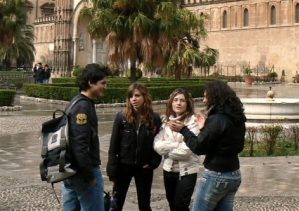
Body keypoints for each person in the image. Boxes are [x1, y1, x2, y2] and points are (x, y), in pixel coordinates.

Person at [169, 80, 246, 211]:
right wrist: (205, 128)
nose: (204, 100)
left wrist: (184, 130)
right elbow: (232, 144)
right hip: (234, 175)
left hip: (217, 176)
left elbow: (198, 147)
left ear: (215, 97)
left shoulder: (217, 119)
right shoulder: (236, 118)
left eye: (206, 96)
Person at [106, 83, 162, 211]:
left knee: (144, 205)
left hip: (144, 167)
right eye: (131, 96)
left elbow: (159, 142)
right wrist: (112, 170)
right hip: (123, 167)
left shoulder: (155, 118)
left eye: (137, 96)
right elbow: (113, 145)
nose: (133, 99)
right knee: (116, 204)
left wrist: (154, 162)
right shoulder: (122, 117)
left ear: (145, 97)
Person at [62, 63, 108, 211]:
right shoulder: (82, 106)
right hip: (82, 172)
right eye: (103, 83)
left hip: (71, 171)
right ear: (91, 82)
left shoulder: (76, 101)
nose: (105, 87)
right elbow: (80, 145)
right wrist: (90, 176)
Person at [154, 88, 200, 211]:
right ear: (171, 103)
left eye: (182, 100)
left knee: (181, 206)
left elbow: (187, 151)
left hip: (187, 171)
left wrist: (167, 148)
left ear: (188, 104)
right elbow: (157, 146)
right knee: (172, 205)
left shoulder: (193, 122)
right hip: (168, 170)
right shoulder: (165, 121)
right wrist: (176, 145)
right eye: (175, 100)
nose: (178, 103)